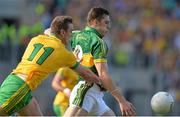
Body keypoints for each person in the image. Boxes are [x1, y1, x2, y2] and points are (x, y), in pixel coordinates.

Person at [0, 16, 101, 116]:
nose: (71, 35)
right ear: (62, 32)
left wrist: (56, 31)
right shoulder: (63, 52)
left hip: (13, 82)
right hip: (19, 89)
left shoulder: (36, 39)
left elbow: (47, 31)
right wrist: (103, 82)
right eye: (70, 31)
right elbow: (86, 74)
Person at [63, 7, 136, 116]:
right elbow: (103, 75)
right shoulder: (98, 42)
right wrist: (122, 101)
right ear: (95, 22)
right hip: (86, 91)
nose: (109, 26)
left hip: (95, 94)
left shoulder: (76, 34)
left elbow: (51, 31)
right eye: (106, 22)